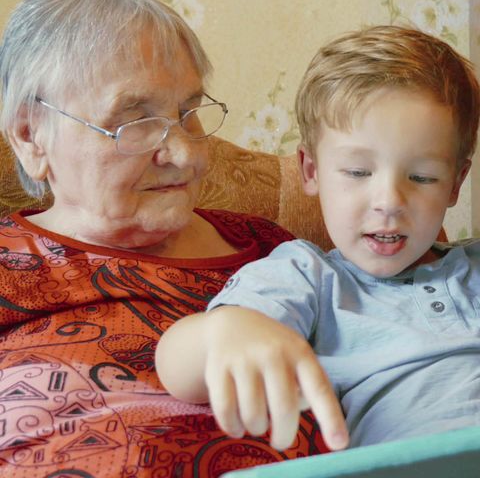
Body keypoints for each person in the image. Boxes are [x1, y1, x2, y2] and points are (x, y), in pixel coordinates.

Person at [0, 0, 327, 477]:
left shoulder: (273, 252)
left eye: (189, 112)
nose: (183, 154)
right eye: (135, 120)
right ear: (32, 135)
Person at [156, 25, 480, 453]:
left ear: (456, 184)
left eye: (422, 177)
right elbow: (183, 369)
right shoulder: (306, 275)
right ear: (310, 171)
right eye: (358, 173)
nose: (388, 201)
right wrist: (226, 332)